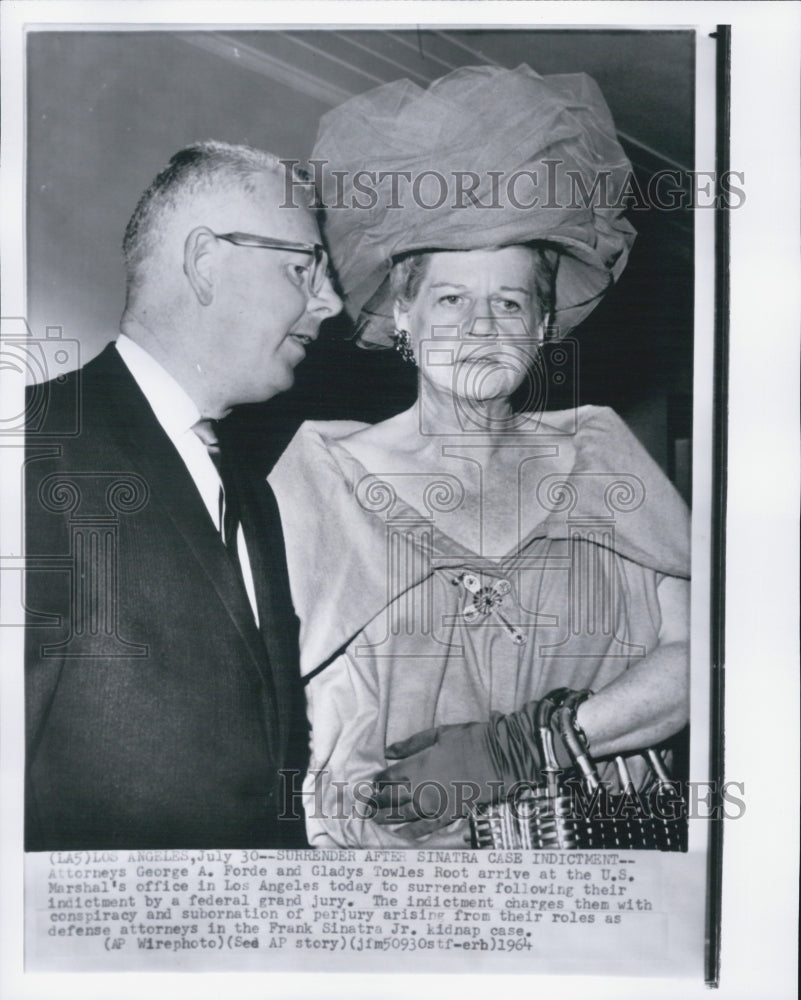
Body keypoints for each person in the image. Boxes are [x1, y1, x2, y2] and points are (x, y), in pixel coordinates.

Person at [269, 66, 690, 848]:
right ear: (402, 313)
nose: (480, 326)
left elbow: (699, 659)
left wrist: (523, 748)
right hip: (392, 886)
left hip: (599, 866)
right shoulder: (318, 479)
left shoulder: (599, 454)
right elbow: (268, 709)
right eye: (451, 299)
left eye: (508, 301)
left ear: (540, 325)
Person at [25, 141, 342, 850]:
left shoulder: (252, 498)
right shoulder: (32, 450)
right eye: (302, 269)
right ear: (204, 263)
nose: (330, 303)